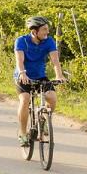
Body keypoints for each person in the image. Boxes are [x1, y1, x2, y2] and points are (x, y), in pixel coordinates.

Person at [14, 16, 65, 146]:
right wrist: (22, 73)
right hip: (23, 76)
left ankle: (43, 122)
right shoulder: (21, 41)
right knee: (25, 99)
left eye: (47, 29)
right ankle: (23, 134)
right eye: (44, 29)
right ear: (35, 31)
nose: (47, 32)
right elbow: (19, 60)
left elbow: (55, 61)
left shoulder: (49, 41)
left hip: (40, 76)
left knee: (52, 97)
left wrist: (59, 75)